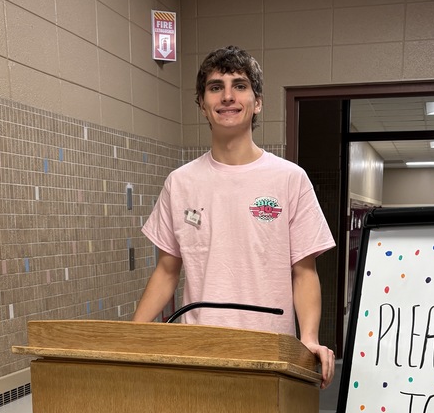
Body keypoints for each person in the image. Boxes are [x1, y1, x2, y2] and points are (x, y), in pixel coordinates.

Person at [133, 45, 336, 388]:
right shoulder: (180, 182)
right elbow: (168, 269)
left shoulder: (289, 179)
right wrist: (131, 333)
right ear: (202, 104)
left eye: (239, 86)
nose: (227, 96)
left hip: (269, 349)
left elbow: (303, 271)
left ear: (257, 102)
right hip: (198, 350)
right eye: (216, 87)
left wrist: (310, 337)